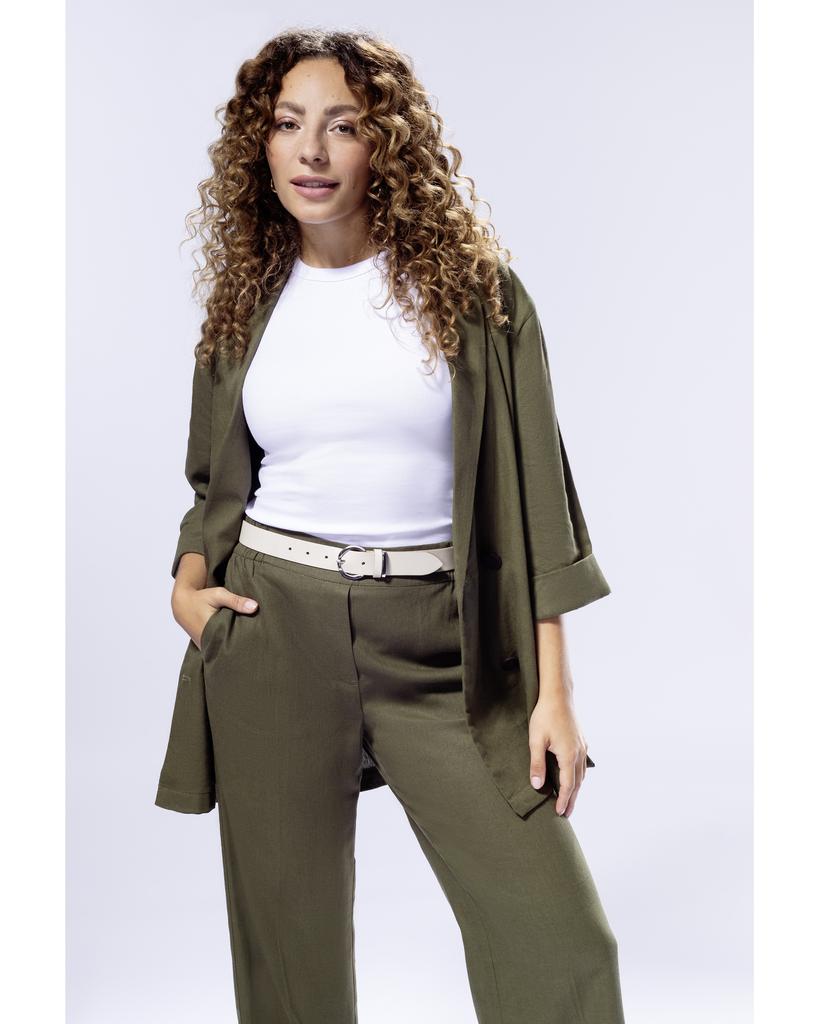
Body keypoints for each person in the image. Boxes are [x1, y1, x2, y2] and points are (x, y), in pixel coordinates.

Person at [156, 27, 627, 1023]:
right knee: (290, 956)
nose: (311, 152)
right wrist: (189, 588)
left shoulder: (478, 295)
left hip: (443, 640)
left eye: (342, 126)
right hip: (273, 628)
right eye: (288, 125)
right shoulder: (245, 303)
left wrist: (554, 692)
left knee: (559, 940)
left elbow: (538, 498)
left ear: (388, 145)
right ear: (258, 144)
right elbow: (213, 480)